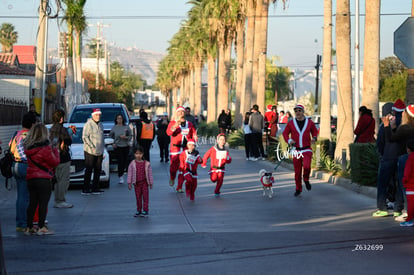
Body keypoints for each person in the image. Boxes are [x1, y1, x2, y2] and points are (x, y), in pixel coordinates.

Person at [24, 123, 60, 235]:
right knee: (43, 203)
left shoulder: (28, 147)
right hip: (43, 178)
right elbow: (54, 162)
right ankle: (41, 226)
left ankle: (29, 227)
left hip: (31, 177)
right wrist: (55, 151)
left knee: (32, 203)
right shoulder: (46, 148)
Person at [373, 100, 405, 218]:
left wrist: (383, 154)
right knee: (400, 184)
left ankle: (382, 208)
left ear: (393, 111)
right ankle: (398, 209)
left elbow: (380, 142)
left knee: (383, 183)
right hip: (401, 158)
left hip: (387, 157)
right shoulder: (406, 125)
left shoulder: (386, 124)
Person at [383, 104, 414, 220]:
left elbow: (391, 139)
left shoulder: (406, 128)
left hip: (407, 158)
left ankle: (407, 211)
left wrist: (387, 126)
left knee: (404, 185)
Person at [8, 112, 37, 232]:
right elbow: (28, 154)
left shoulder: (17, 134)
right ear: (32, 124)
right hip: (25, 166)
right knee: (26, 196)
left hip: (15, 165)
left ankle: (20, 222)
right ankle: (23, 223)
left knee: (20, 195)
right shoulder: (28, 136)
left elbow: (10, 147)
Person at [282, 104, 318, 197]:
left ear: (303, 112)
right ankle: (298, 189)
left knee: (307, 166)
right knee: (297, 172)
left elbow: (314, 131)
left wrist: (314, 137)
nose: (297, 112)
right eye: (296, 111)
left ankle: (306, 179)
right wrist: (289, 140)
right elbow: (285, 133)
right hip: (296, 150)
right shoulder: (291, 123)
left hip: (306, 149)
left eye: (299, 110)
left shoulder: (309, 122)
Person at [167, 106, 197, 192]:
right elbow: (169, 132)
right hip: (175, 149)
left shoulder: (189, 124)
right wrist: (176, 125)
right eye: (179, 112)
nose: (181, 113)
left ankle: (179, 186)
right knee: (173, 168)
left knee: (183, 168)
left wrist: (192, 142)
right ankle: (172, 177)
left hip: (185, 150)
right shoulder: (172, 123)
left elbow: (194, 135)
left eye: (182, 112)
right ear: (176, 113)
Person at [49, 109, 73, 208]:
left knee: (57, 179)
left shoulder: (51, 129)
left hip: (53, 157)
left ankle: (56, 199)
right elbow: (68, 141)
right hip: (63, 157)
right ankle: (61, 200)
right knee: (64, 179)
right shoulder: (62, 129)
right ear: (61, 118)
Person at [82, 108, 105, 195]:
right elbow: (85, 137)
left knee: (98, 169)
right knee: (89, 169)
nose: (98, 116)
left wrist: (103, 149)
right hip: (90, 151)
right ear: (93, 115)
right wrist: (91, 147)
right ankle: (85, 188)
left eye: (99, 115)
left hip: (99, 151)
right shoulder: (88, 124)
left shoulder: (101, 125)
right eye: (96, 115)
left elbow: (102, 138)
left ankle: (95, 187)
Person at [127, 145, 153, 217]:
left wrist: (151, 183)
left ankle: (145, 210)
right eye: (137, 154)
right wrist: (129, 182)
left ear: (143, 154)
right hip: (137, 183)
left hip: (144, 183)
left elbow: (150, 173)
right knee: (138, 197)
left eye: (140, 154)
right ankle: (138, 210)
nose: (138, 155)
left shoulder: (147, 164)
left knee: (145, 197)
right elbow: (130, 173)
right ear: (134, 154)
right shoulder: (132, 164)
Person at [110, 114, 132, 184]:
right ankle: (120, 176)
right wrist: (113, 143)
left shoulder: (126, 127)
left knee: (125, 161)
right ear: (116, 120)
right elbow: (111, 137)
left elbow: (130, 136)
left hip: (125, 146)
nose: (119, 120)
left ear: (123, 119)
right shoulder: (114, 128)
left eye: (121, 118)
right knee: (120, 161)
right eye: (118, 119)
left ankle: (123, 172)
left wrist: (125, 137)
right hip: (118, 147)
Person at [400, 139, 414, 227]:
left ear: (408, 149)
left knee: (411, 205)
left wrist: (404, 180)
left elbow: (407, 172)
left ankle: (410, 220)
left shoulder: (410, 158)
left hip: (411, 186)